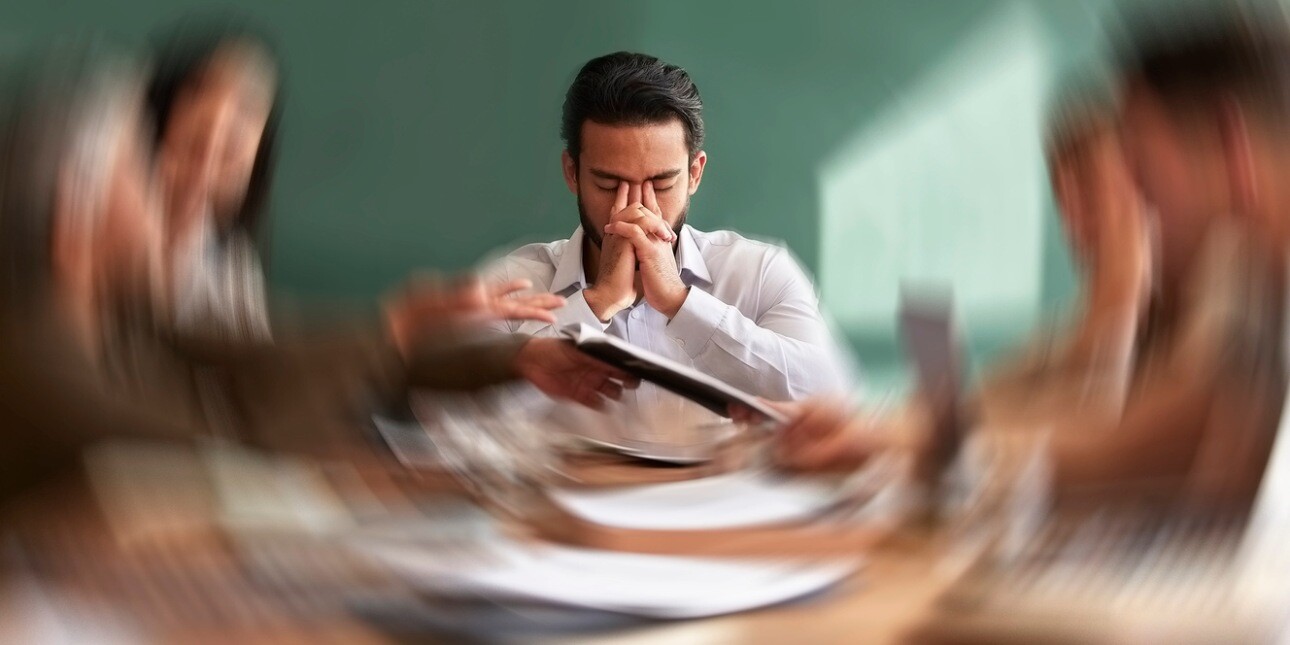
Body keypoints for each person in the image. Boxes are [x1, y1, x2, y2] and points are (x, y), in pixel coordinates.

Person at [0, 45, 636, 500]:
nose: (164, 184)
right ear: (72, 219)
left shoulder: (128, 319)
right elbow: (224, 453)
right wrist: (391, 331)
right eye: (141, 170)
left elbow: (269, 356)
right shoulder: (35, 357)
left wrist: (503, 360)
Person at [763, 9, 1290, 506]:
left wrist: (915, 445)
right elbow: (1148, 444)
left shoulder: (1235, 280)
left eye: (1144, 180)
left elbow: (1151, 449)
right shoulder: (1253, 287)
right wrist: (902, 439)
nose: (1141, 214)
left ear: (1231, 148)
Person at [480, 52, 854, 427]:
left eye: (661, 183)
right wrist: (596, 303)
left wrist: (681, 303)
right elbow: (460, 417)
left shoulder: (759, 273)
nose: (638, 209)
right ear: (572, 173)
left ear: (694, 174)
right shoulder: (511, 285)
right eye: (609, 184)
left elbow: (830, 399)